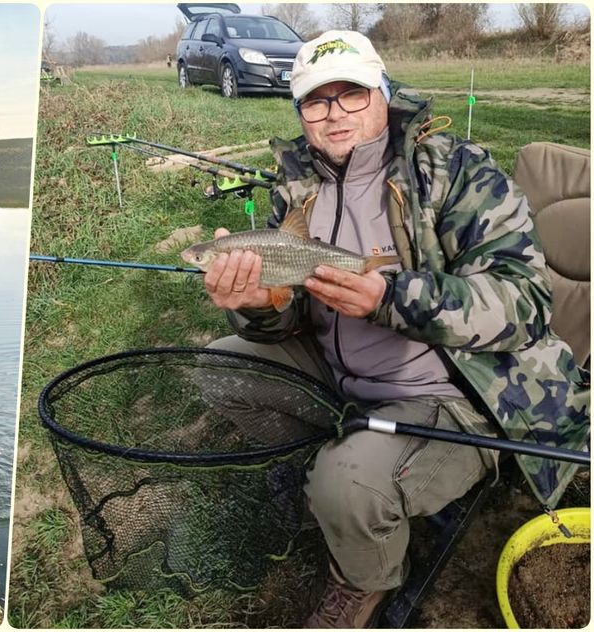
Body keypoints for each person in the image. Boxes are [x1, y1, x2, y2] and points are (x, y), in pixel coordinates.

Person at [202, 31, 588, 627]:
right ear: (300, 112)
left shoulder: (458, 171)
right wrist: (259, 303)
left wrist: (391, 296)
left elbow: (526, 301)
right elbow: (287, 321)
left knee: (347, 485)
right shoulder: (296, 188)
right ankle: (340, 469)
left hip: (453, 392)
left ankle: (364, 576)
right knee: (222, 367)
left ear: (381, 92)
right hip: (340, 369)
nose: (333, 115)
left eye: (350, 95)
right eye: (315, 101)